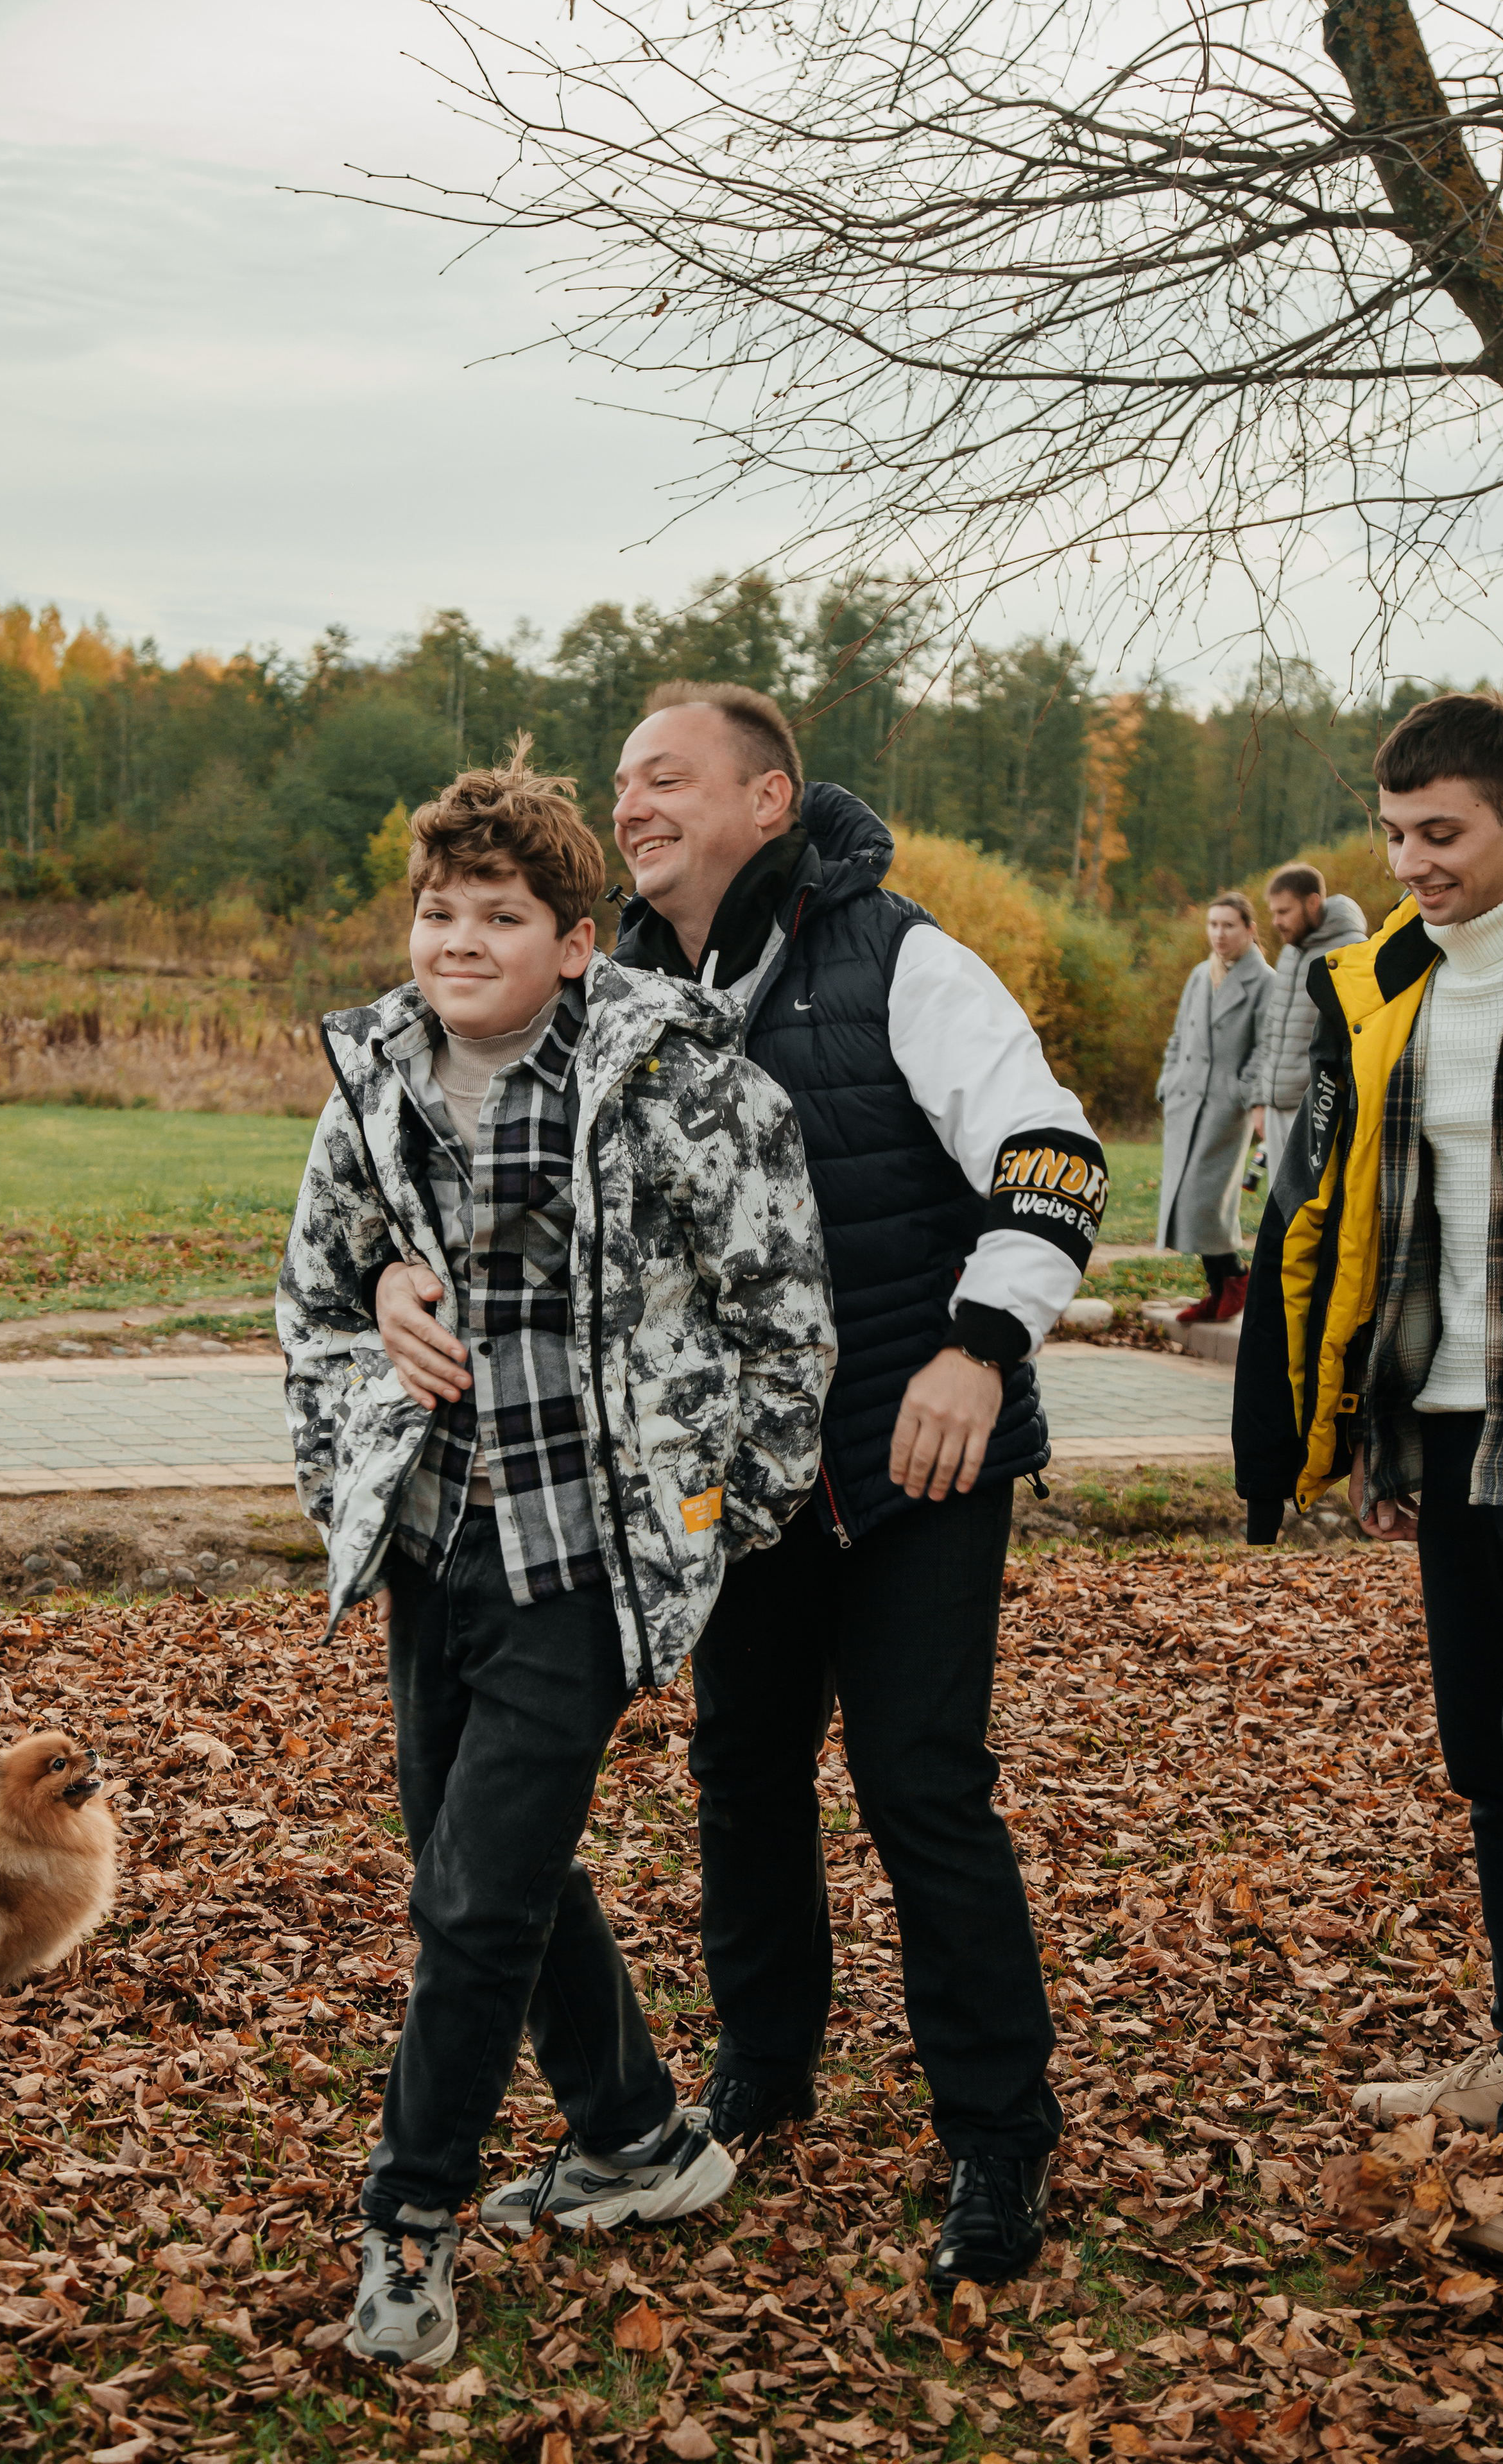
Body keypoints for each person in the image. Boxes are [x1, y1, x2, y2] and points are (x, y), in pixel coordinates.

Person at [375, 681, 1109, 2287]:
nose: (630, 805)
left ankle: (995, 2135)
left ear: (766, 802)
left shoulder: (899, 958)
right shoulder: (617, 985)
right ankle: (762, 2074)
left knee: (921, 1787)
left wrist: (977, 1347)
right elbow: (473, 1168)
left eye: (665, 779)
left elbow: (1052, 1155)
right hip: (739, 1472)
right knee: (741, 1770)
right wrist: (388, 1277)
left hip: (917, 1454)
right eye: (622, 784)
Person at [277, 742, 835, 2367]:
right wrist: (381, 1285)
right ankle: (639, 2129)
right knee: (488, 1867)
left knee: (466, 1905)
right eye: (437, 912)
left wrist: (722, 1515)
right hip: (435, 1542)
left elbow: (778, 1304)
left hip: (580, 1559)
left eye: (499, 915)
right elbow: (312, 1296)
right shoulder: (373, 1081)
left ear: (574, 942)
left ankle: (408, 2223)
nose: (458, 942)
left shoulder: (673, 1079)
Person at [1233, 691, 1503, 2268]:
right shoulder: (1371, 981)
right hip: (1449, 1430)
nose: (1410, 864)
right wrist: (1363, 1435)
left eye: (1439, 834)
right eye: (1391, 836)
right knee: (1485, 1767)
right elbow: (1353, 1223)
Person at [1156, 890, 1273, 1323]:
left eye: (1228, 925)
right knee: (1195, 1203)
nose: (1219, 934)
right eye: (1213, 925)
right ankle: (1222, 1289)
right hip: (1186, 1100)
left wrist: (1244, 1093)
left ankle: (1236, 1280)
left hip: (1225, 1107)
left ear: (1250, 929)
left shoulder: (1266, 982)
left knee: (1202, 1202)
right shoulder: (1198, 975)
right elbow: (1177, 1038)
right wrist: (1168, 1082)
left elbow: (1266, 1047)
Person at [1245, 864, 1367, 1185]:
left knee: (1312, 1209)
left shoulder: (1352, 951)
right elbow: (1271, 1031)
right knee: (1279, 1208)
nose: (1276, 922)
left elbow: (1359, 1041)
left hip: (1319, 1110)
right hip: (1276, 1107)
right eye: (1273, 912)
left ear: (1313, 903)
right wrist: (1261, 1099)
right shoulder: (1288, 953)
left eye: (1284, 911)